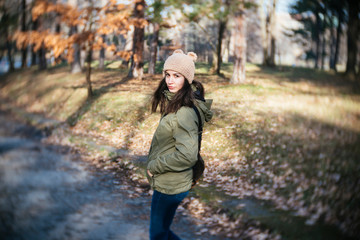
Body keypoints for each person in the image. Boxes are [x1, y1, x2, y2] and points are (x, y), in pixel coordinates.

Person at [146, 49, 213, 240]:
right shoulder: (179, 102)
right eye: (168, 74)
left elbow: (187, 155)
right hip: (174, 181)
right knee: (163, 231)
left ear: (187, 79)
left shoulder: (184, 110)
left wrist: (153, 166)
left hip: (170, 184)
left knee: (157, 235)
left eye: (177, 76)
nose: (170, 80)